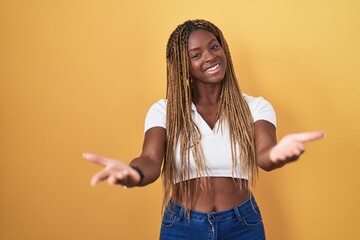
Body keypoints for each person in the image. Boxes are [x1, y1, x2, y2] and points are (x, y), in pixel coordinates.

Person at [83, 19, 324, 239]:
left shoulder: (255, 107)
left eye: (214, 47)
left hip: (243, 225)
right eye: (196, 54)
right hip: (182, 227)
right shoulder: (165, 111)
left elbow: (266, 153)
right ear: (182, 66)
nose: (209, 57)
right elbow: (150, 159)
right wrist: (134, 173)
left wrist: (277, 155)